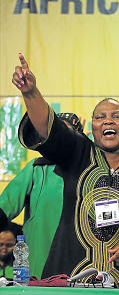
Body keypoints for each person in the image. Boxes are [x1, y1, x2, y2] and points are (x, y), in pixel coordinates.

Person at [11, 54, 119, 288]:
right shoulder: (77, 152)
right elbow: (52, 131)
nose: (108, 121)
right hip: (71, 272)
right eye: (101, 117)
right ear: (92, 127)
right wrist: (30, 93)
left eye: (117, 116)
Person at [0, 113, 84, 279]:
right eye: (54, 133)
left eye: (67, 132)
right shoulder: (37, 168)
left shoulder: (92, 171)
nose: (60, 138)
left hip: (81, 270)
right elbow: (3, 209)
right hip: (39, 272)